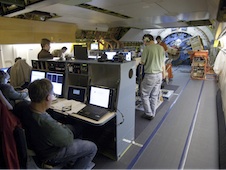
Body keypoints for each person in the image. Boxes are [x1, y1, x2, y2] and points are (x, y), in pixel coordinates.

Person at [19, 78, 97, 169]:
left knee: (74, 127)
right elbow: (68, 140)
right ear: (48, 97)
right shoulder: (46, 124)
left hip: (38, 145)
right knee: (92, 147)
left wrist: (60, 126)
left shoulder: (23, 107)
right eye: (52, 95)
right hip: (52, 154)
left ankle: (73, 158)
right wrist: (61, 126)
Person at [140, 34, 165, 120]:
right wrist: (164, 73)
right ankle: (153, 113)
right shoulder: (160, 48)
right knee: (154, 95)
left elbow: (142, 62)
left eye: (144, 41)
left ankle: (148, 113)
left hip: (150, 75)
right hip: (159, 75)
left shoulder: (147, 48)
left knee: (144, 95)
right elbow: (163, 62)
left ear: (146, 40)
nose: (144, 43)